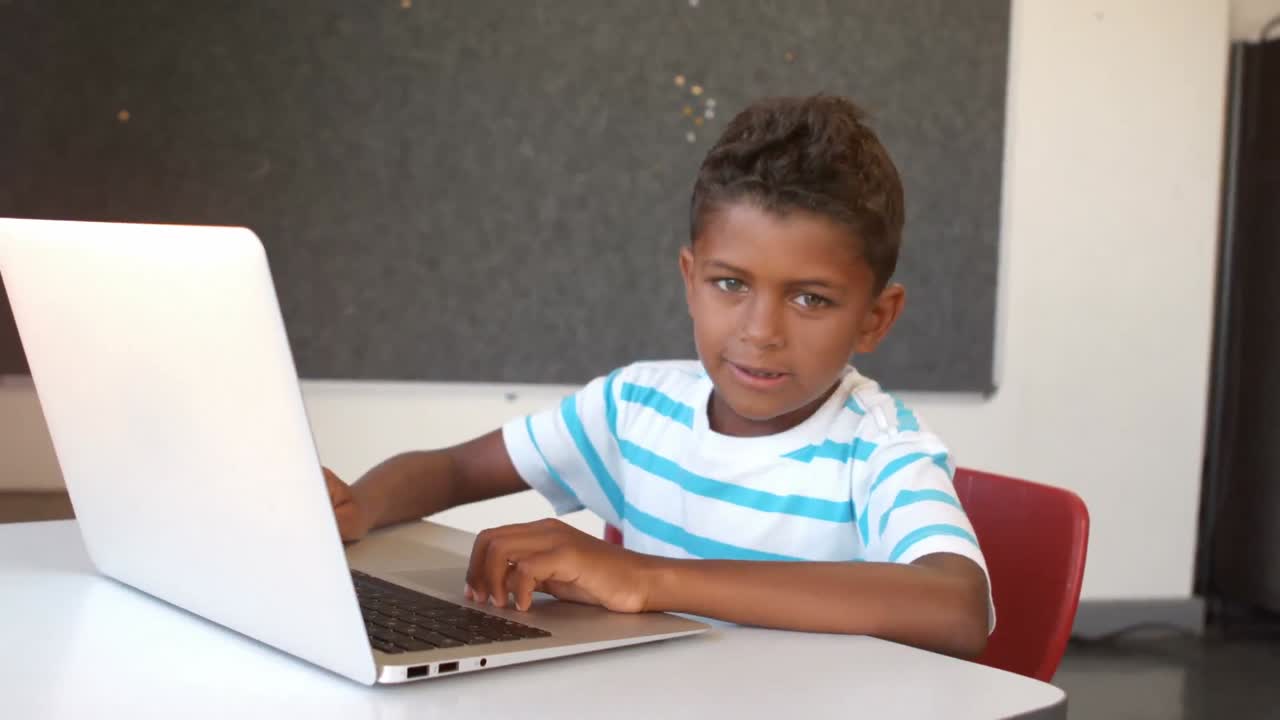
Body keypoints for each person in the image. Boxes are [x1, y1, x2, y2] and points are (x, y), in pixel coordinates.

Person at [326, 95, 992, 658]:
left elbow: (957, 606)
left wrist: (645, 577)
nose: (760, 331)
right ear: (690, 280)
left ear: (876, 318)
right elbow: (456, 471)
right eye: (730, 283)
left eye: (810, 298)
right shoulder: (634, 406)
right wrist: (362, 505)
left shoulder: (880, 449)